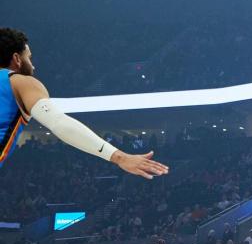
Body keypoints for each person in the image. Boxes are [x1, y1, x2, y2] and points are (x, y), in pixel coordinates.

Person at [0, 28, 168, 176]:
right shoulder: (20, 82)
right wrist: (120, 157)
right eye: (29, 58)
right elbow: (59, 123)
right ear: (17, 58)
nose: (33, 66)